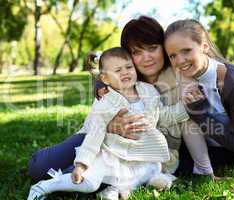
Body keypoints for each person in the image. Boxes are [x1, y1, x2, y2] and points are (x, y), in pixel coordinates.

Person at [28, 16, 214, 182]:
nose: (146, 58)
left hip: (137, 153)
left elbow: (179, 118)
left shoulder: (179, 77)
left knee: (87, 177)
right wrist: (110, 125)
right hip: (96, 137)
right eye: (137, 52)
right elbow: (96, 119)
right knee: (39, 168)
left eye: (152, 48)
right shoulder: (120, 80)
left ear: (163, 48)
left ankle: (70, 178)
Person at [27, 47, 178, 200]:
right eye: (118, 70)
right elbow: (94, 134)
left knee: (152, 166)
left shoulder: (149, 91)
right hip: (109, 151)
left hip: (138, 155)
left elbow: (164, 115)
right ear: (105, 79)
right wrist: (81, 164)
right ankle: (44, 187)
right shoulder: (107, 100)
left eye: (129, 67)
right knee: (89, 182)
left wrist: (187, 108)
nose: (125, 72)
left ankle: (118, 189)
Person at [164, 19, 234, 164]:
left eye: (186, 51)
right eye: (173, 55)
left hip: (229, 148)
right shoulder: (178, 76)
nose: (180, 61)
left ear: (204, 47)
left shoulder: (231, 80)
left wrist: (199, 113)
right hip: (200, 145)